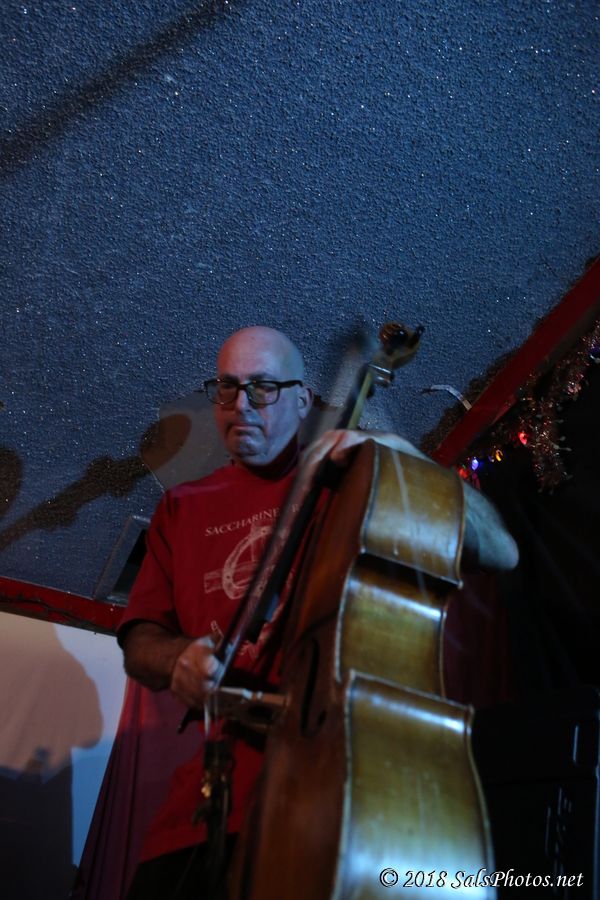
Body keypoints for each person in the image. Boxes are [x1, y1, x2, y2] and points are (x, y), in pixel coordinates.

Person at [118, 325, 518, 899]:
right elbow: (140, 639)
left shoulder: (354, 481)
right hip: (206, 797)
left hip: (331, 782)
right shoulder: (181, 508)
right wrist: (178, 657)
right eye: (227, 388)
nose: (240, 405)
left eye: (262, 388)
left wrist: (400, 453)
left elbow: (501, 550)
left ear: (303, 399)